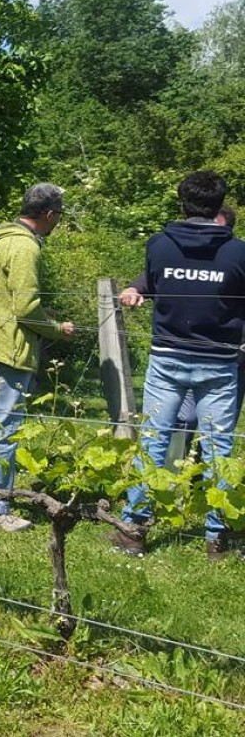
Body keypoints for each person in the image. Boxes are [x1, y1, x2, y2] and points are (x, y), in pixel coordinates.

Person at [113, 172, 245, 560]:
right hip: (220, 363)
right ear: (219, 206)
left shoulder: (160, 245)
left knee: (153, 441)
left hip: (167, 357)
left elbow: (154, 281)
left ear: (182, 202)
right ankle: (217, 539)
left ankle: (133, 529)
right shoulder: (238, 252)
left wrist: (137, 289)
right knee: (219, 448)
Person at [0, 183, 74, 532]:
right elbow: (25, 308)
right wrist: (57, 327)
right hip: (10, 346)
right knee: (5, 428)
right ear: (50, 215)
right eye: (59, 217)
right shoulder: (25, 246)